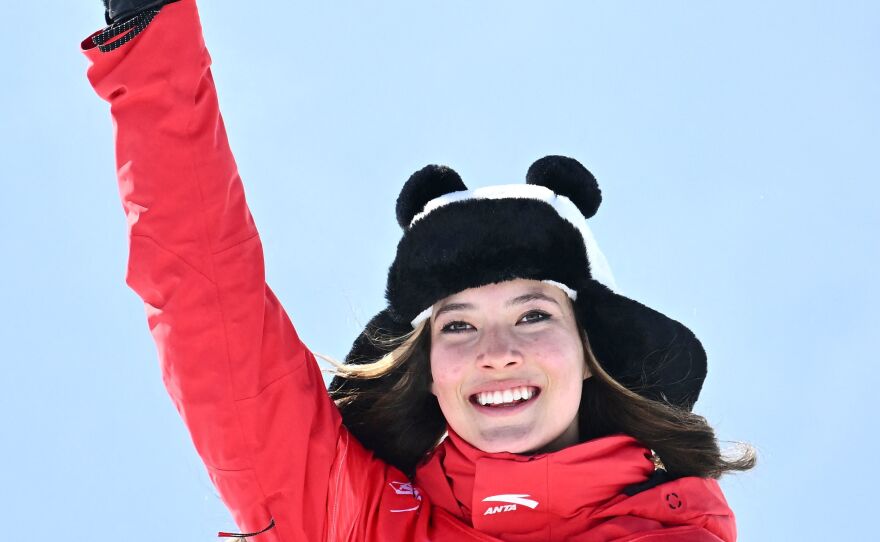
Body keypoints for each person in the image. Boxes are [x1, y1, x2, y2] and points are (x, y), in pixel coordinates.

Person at [82, 1, 755, 540]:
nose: (497, 352)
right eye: (457, 325)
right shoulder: (356, 521)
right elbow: (209, 303)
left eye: (532, 314)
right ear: (428, 372)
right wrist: (151, 28)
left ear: (589, 351)